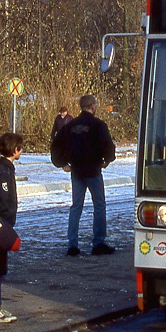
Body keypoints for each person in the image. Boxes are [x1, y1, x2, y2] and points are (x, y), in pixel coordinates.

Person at [51, 94, 116, 256]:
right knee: (99, 205)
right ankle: (98, 243)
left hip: (77, 171)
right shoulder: (98, 125)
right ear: (93, 106)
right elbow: (107, 145)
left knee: (76, 207)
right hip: (93, 169)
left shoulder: (70, 125)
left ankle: (72, 245)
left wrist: (62, 163)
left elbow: (56, 145)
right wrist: (107, 160)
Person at [0, 132, 23, 324]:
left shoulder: (4, 168)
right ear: (15, 150)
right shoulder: (3, 172)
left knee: (0, 266)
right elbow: (1, 200)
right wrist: (4, 224)